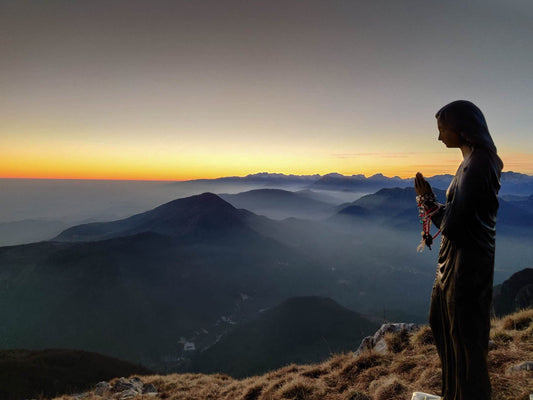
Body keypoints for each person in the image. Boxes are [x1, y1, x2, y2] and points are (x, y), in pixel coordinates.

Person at [414, 100, 503, 400]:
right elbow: (457, 215)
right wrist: (434, 205)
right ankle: (454, 393)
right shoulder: (472, 160)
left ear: (462, 129)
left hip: (467, 265)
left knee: (463, 339)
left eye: (443, 129)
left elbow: (453, 224)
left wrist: (428, 202)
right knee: (444, 325)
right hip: (459, 259)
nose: (439, 137)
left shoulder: (477, 165)